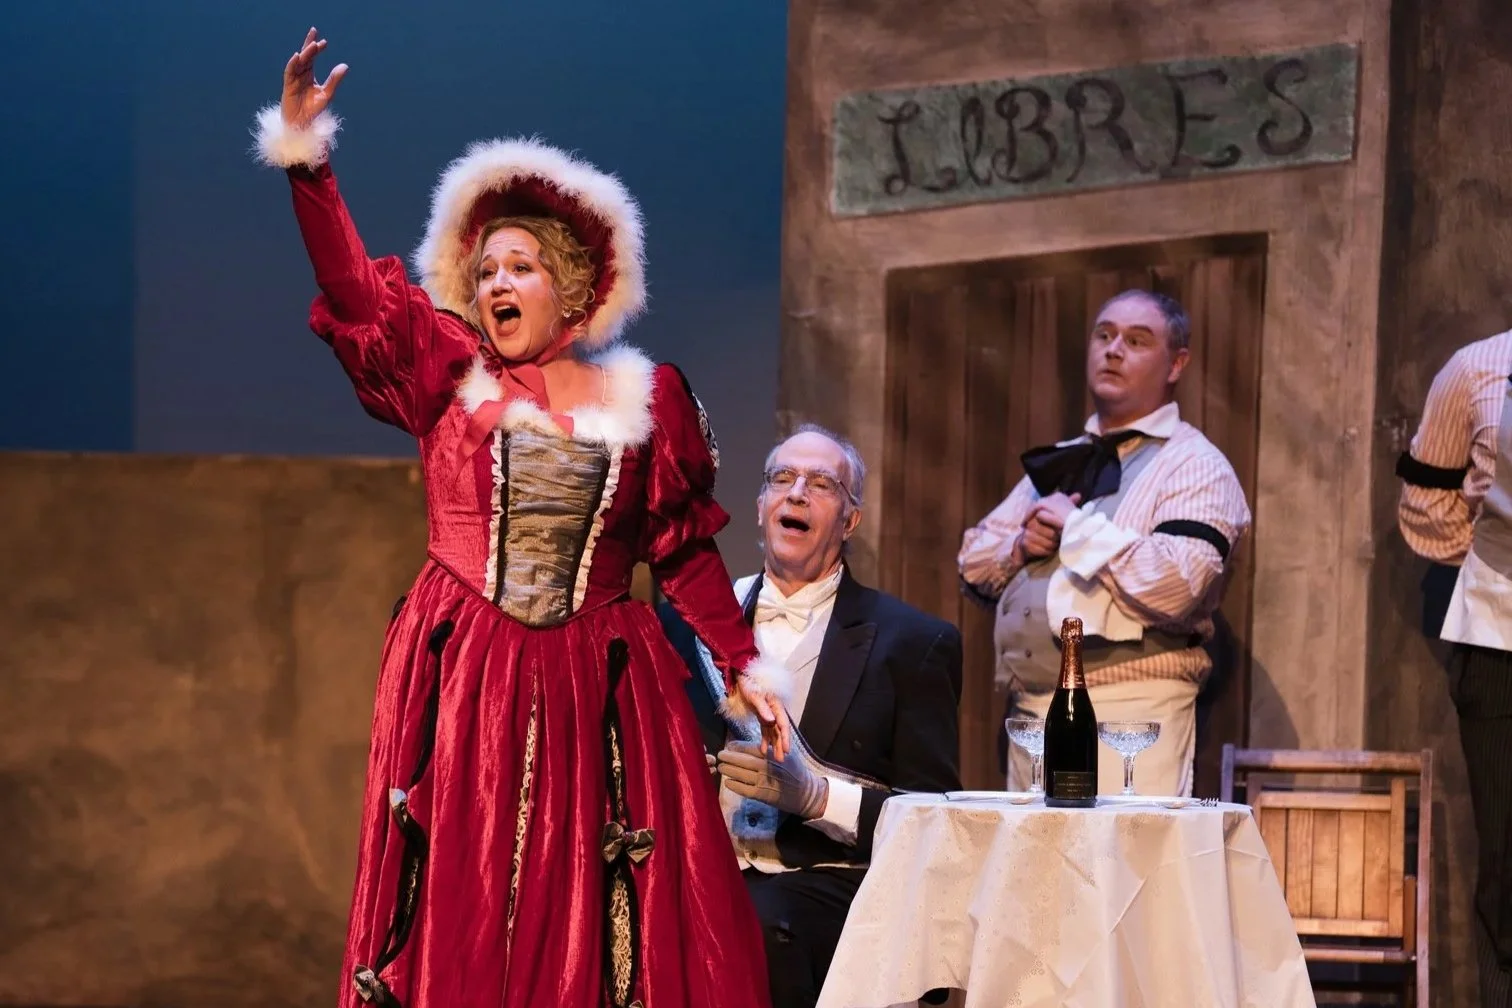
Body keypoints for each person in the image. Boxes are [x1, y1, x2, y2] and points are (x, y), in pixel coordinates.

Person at [251, 29, 790, 1008]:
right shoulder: (448, 373)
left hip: (600, 675)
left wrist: (746, 672)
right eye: (487, 269)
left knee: (601, 906)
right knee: (470, 899)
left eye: (522, 268)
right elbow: (350, 291)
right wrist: (307, 161)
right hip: (471, 672)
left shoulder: (650, 396)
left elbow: (683, 553)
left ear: (574, 289)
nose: (497, 283)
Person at [660, 425, 962, 1008]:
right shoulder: (686, 624)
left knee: (752, 929)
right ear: (760, 508)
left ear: (850, 522)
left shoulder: (913, 643)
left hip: (821, 885)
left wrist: (818, 798)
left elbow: (933, 821)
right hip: (697, 869)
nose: (796, 492)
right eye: (782, 479)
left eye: (822, 484)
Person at [957, 290, 1250, 798]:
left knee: (1119, 868)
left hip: (1130, 715)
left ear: (1176, 363)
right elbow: (973, 561)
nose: (1114, 349)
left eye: (1137, 341)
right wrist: (1022, 547)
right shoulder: (1064, 460)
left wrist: (1076, 528)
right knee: (1036, 871)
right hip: (1032, 713)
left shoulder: (1196, 464)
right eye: (1105, 335)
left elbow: (1177, 584)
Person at [1397, 328, 1512, 1006]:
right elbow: (1423, 506)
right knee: (1507, 863)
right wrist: (1485, 528)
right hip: (1503, 636)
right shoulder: (1477, 369)